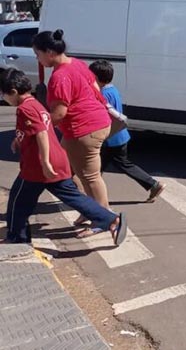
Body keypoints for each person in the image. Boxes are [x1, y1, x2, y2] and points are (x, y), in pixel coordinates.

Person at [1, 69, 127, 246]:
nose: (3, 97)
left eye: (3, 93)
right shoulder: (36, 104)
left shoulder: (24, 109)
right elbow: (34, 129)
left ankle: (16, 236)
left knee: (18, 200)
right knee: (73, 196)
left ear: (13, 91)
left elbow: (42, 133)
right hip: (56, 161)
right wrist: (19, 140)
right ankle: (110, 219)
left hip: (38, 166)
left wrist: (44, 162)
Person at [32, 29, 112, 222]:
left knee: (90, 177)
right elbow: (95, 88)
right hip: (95, 122)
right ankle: (89, 210)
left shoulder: (60, 77)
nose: (38, 59)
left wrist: (39, 127)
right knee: (67, 169)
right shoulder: (76, 63)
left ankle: (104, 219)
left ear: (49, 52)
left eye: (38, 54)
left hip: (84, 130)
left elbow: (59, 114)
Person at [89, 60, 165, 203]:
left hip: (110, 138)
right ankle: (153, 184)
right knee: (115, 166)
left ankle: (153, 184)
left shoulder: (102, 95)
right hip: (120, 136)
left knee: (95, 170)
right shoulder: (113, 89)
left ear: (95, 77)